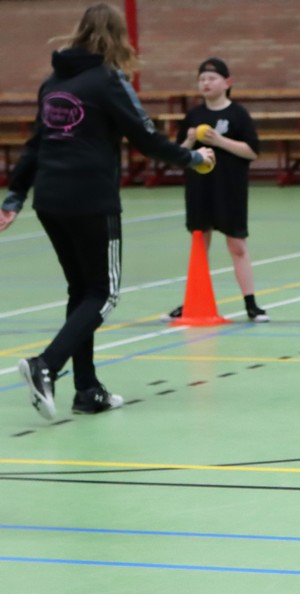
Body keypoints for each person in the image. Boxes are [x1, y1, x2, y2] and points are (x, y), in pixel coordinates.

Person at [0, 2, 215, 421]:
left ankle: (87, 390)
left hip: (50, 201)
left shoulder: (52, 83)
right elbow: (146, 138)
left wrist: (14, 198)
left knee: (81, 291)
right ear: (118, 38)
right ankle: (46, 365)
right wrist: (193, 158)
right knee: (104, 293)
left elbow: (35, 146)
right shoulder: (109, 80)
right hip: (91, 201)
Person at [162, 57, 266, 323]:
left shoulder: (238, 114)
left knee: (237, 245)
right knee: (199, 244)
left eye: (211, 78)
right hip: (199, 189)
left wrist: (219, 141)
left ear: (227, 83)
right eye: (202, 79)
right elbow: (178, 156)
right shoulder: (193, 116)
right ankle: (192, 301)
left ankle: (251, 304)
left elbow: (252, 151)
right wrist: (189, 140)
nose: (206, 83)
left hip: (230, 188)